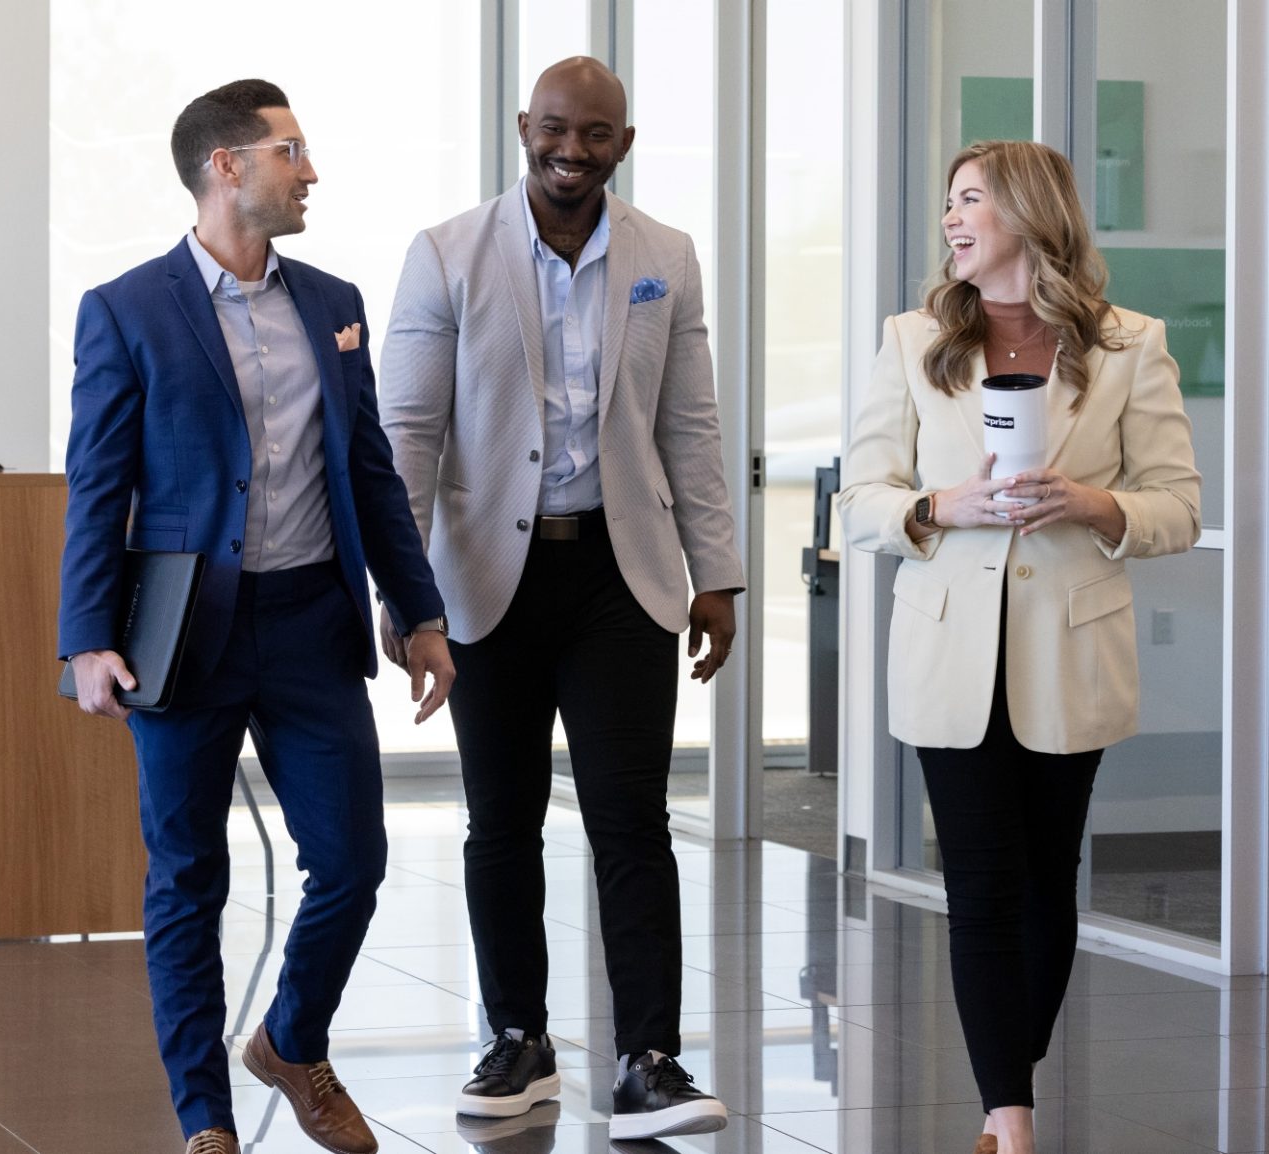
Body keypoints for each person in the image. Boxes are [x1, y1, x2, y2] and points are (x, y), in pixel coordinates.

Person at [58, 79, 455, 1154]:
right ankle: (205, 1116)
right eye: (290, 150)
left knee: (354, 859)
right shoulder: (127, 309)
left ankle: (289, 1035)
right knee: (187, 875)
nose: (310, 170)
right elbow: (97, 484)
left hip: (309, 622)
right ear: (224, 165)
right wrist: (87, 637)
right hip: (179, 634)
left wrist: (414, 606)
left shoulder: (331, 300)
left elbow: (368, 468)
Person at [378, 56, 744, 1143]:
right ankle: (517, 1037)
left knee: (632, 818)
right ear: (522, 128)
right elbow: (406, 435)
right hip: (487, 574)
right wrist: (406, 596)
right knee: (502, 819)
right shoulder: (446, 253)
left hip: (620, 576)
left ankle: (649, 1056)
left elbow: (690, 425)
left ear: (621, 144)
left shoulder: (663, 257)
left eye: (592, 134)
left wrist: (715, 569)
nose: (569, 151)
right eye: (552, 129)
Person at [838, 140, 1201, 1154]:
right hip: (946, 652)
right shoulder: (913, 341)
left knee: (1045, 882)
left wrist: (1088, 503)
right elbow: (858, 498)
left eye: (969, 202)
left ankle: (1008, 1070)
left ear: (1026, 214)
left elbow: (1175, 506)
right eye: (947, 202)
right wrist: (935, 504)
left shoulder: (1129, 345)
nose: (950, 220)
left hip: (1068, 652)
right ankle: (1008, 1113)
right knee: (982, 885)